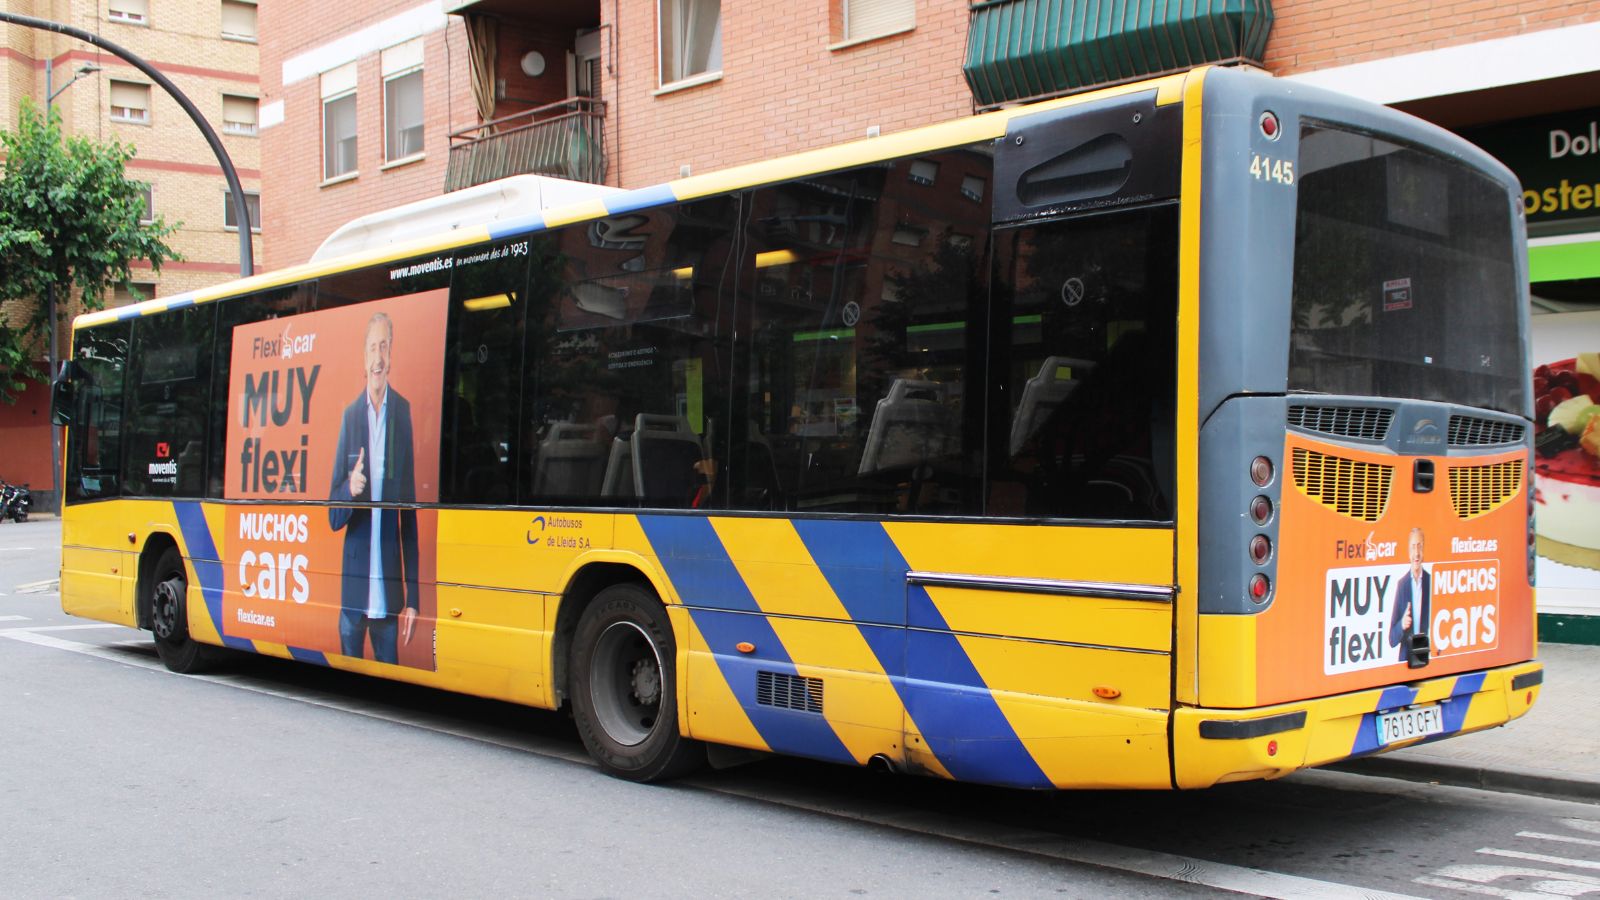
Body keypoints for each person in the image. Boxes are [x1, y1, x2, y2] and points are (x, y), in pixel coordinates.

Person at [329, 312, 419, 663]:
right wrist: (349, 489)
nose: (378, 356)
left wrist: (414, 599)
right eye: (372, 348)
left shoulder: (403, 413)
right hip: (353, 598)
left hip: (389, 598)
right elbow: (332, 516)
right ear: (364, 359)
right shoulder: (350, 417)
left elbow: (409, 514)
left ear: (391, 354)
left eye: (384, 346)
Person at [1388, 527, 1431, 663]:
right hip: (1406, 661)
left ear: (1424, 550)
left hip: (1428, 658)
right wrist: (1402, 624)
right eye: (1413, 547)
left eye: (1420, 547)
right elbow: (1391, 639)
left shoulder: (1432, 582)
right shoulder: (1402, 586)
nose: (1416, 553)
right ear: (1408, 551)